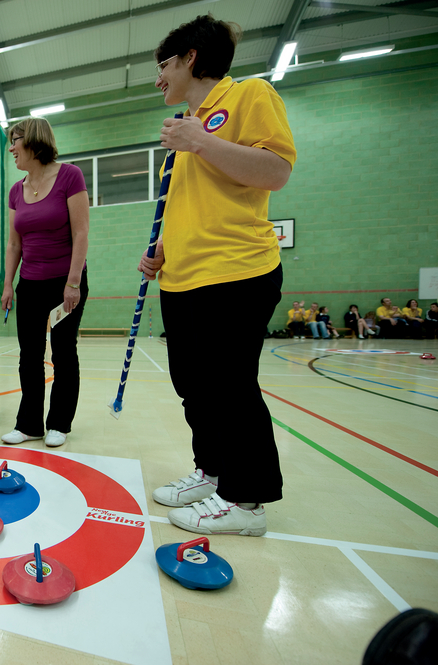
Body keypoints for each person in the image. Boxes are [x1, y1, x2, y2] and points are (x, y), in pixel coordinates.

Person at [139, 14, 295, 537]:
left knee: (230, 387)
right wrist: (160, 250)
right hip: (182, 279)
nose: (158, 77)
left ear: (191, 60)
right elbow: (194, 206)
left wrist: (199, 141)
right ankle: (213, 472)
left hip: (235, 272)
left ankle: (247, 501)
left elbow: (275, 171)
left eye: (163, 64)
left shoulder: (249, 96)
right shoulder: (184, 132)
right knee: (195, 388)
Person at [0, 117, 90, 448]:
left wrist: (73, 282)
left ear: (35, 141)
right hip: (31, 285)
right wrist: (8, 285)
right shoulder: (16, 191)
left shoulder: (70, 176)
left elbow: (81, 231)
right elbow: (14, 244)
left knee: (64, 353)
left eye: (16, 140)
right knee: (30, 355)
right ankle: (29, 425)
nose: (11, 147)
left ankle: (59, 423)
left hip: (64, 282)